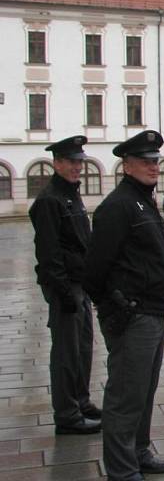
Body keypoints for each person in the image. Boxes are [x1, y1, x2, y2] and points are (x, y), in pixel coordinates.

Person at [85, 130, 164, 481]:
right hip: (133, 314)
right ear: (127, 165)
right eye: (145, 162)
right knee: (125, 394)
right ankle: (121, 470)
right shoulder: (118, 206)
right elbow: (94, 270)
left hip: (153, 311)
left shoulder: (142, 201)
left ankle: (139, 450)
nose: (153, 167)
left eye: (155, 161)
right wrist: (116, 308)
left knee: (144, 390)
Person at [28, 135, 102, 435]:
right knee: (66, 353)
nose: (77, 167)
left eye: (79, 162)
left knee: (83, 348)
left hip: (79, 284)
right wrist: (61, 291)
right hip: (65, 286)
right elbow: (49, 253)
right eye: (71, 162)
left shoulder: (71, 195)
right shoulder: (49, 201)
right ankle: (67, 414)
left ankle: (81, 401)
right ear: (56, 163)